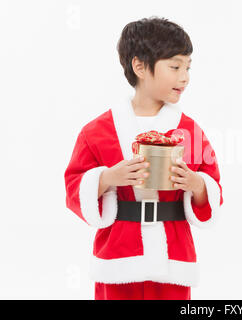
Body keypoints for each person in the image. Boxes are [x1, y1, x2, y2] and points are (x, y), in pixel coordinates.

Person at [64, 16, 223, 300]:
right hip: (117, 257)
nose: (184, 77)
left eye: (188, 67)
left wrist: (196, 184)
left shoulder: (189, 130)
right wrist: (106, 178)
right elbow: (74, 188)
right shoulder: (97, 131)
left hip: (172, 258)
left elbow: (213, 188)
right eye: (175, 66)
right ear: (139, 66)